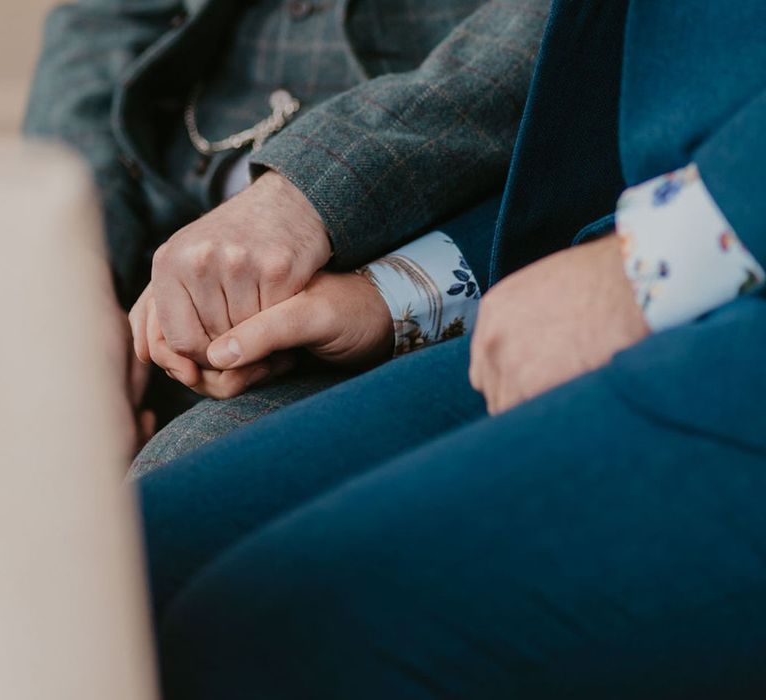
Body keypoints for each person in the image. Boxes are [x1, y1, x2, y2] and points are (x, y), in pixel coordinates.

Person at [138, 1, 766, 697]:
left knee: (250, 638)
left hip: (732, 325)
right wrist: (394, 297)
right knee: (132, 568)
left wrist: (657, 259)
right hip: (629, 258)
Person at [24, 0, 548, 456]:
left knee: (177, 502)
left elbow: (564, 29)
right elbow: (102, 24)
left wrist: (301, 198)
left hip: (397, 262)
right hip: (145, 225)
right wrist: (75, 270)